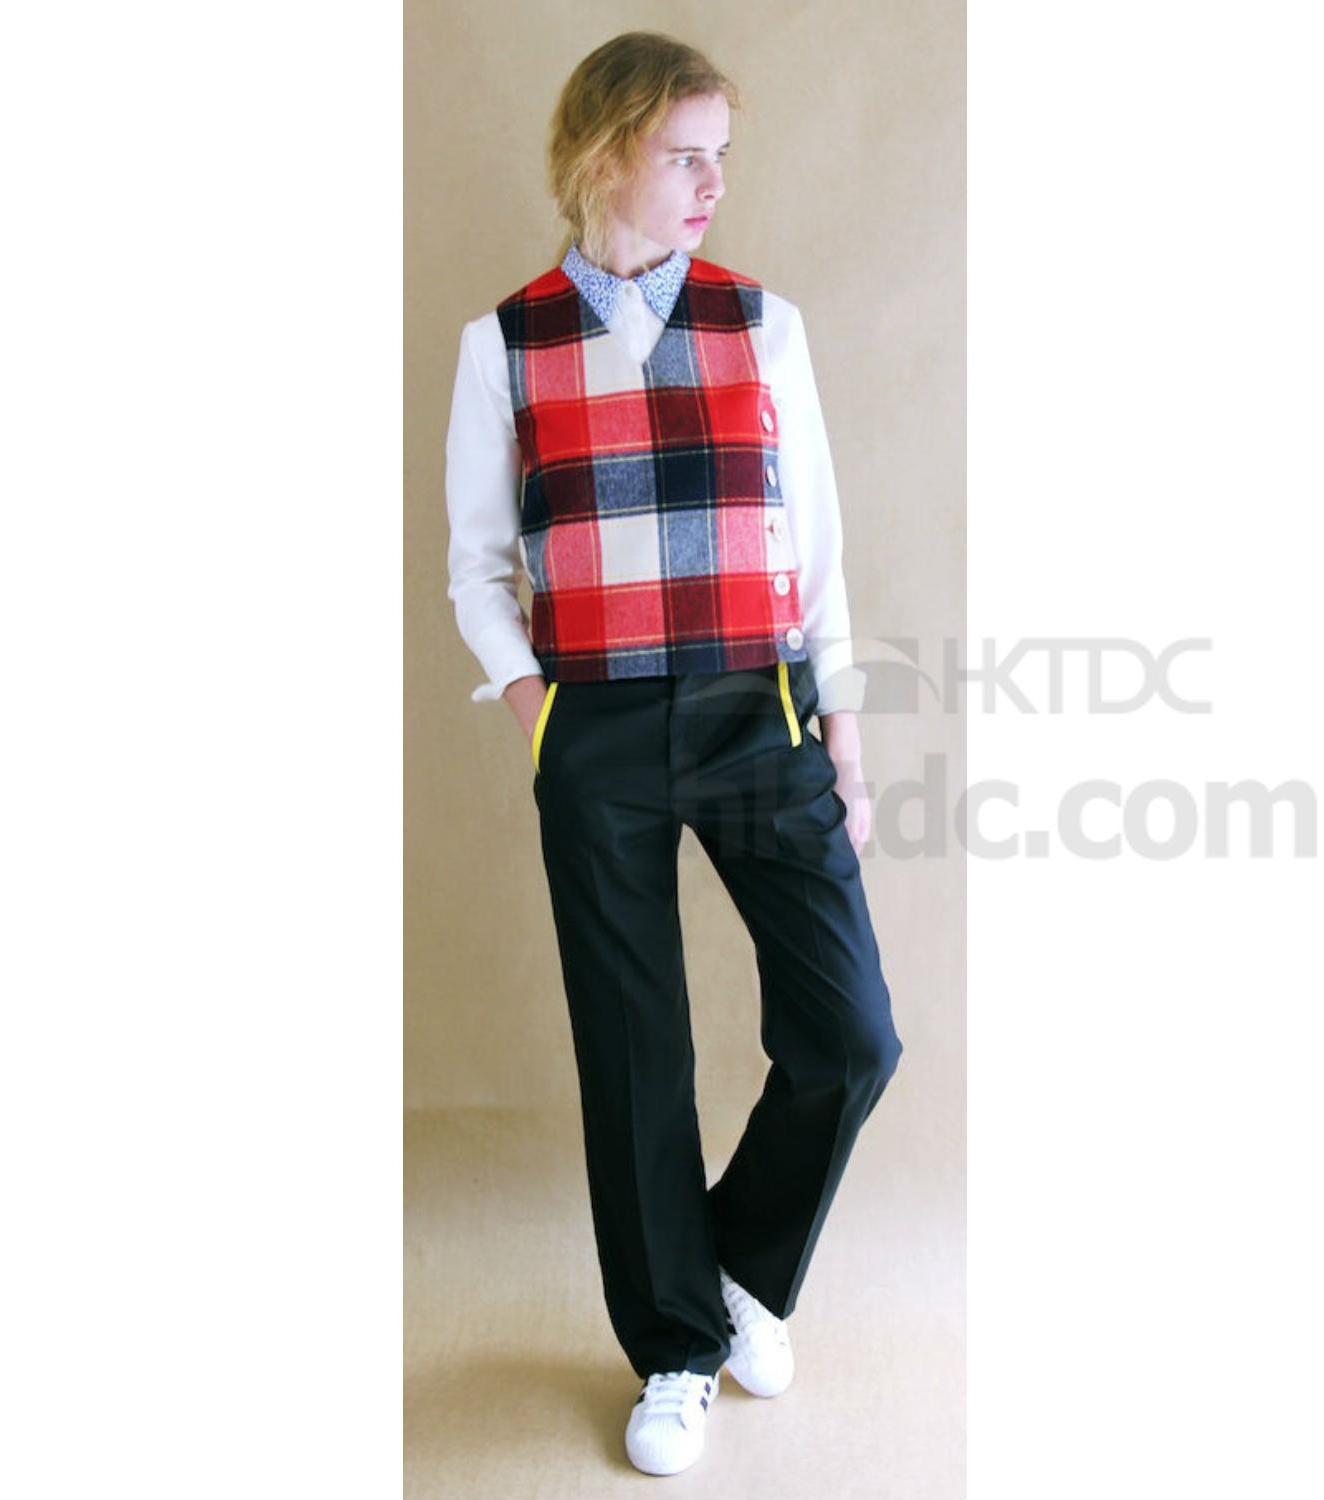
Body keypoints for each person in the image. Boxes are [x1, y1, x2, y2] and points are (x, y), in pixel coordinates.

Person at [444, 30, 904, 1478]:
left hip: (758, 711)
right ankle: (674, 1351)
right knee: (633, 1050)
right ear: (604, 156)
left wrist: (842, 735)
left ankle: (743, 1271)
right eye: (685, 156)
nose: (713, 184)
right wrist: (539, 711)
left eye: (723, 159)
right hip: (596, 727)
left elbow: (814, 548)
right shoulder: (504, 344)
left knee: (851, 1033)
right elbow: (478, 567)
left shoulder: (764, 324)